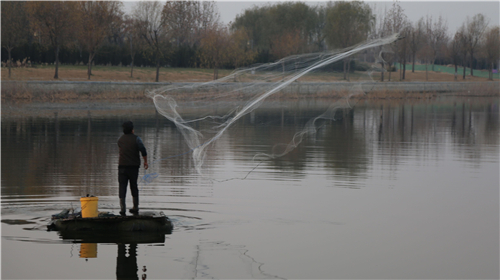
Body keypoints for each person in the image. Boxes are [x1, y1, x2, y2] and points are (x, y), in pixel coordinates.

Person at [117, 121, 148, 216]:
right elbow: (143, 150)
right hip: (133, 167)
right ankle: (135, 207)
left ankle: (122, 209)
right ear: (132, 130)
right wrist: (145, 161)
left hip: (122, 167)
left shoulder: (120, 140)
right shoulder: (136, 139)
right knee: (133, 185)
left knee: (122, 186)